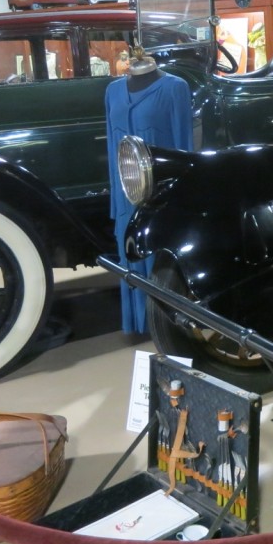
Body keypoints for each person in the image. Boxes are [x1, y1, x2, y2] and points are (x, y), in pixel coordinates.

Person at [105, 49, 192, 333]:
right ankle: (135, 323)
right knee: (127, 253)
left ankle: (162, 325)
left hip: (159, 191)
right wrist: (114, 200)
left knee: (157, 253)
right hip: (124, 192)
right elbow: (111, 147)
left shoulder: (175, 88)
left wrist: (182, 199)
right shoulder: (112, 91)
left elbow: (184, 147)